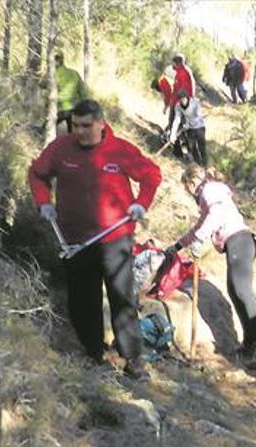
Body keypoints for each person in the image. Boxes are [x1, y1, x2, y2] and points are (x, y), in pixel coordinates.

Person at [29, 99, 162, 381]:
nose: (79, 131)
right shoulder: (60, 149)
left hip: (115, 237)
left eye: (86, 126)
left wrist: (141, 202)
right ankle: (93, 353)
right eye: (74, 125)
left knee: (121, 296)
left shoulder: (120, 150)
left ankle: (133, 358)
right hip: (74, 240)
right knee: (82, 299)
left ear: (101, 123)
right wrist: (43, 202)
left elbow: (151, 174)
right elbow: (37, 174)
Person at [165, 166, 256, 366]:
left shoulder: (210, 190)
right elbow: (200, 226)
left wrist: (200, 239)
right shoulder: (211, 195)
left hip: (239, 240)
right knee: (237, 291)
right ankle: (253, 342)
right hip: (240, 242)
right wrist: (178, 246)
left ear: (191, 183)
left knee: (241, 292)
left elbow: (215, 215)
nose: (190, 193)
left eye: (187, 188)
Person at [169, 89, 209, 167]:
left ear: (187, 97)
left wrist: (189, 123)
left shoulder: (195, 103)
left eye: (184, 99)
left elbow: (198, 116)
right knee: (192, 148)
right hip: (190, 129)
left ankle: (205, 165)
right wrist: (172, 134)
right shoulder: (178, 106)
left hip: (199, 127)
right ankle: (198, 165)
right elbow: (177, 119)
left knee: (202, 147)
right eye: (181, 99)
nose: (182, 101)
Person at [54, 52, 88, 134]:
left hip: (59, 108)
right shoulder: (74, 73)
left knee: (48, 127)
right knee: (72, 132)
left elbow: (41, 84)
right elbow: (83, 92)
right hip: (74, 108)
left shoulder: (53, 74)